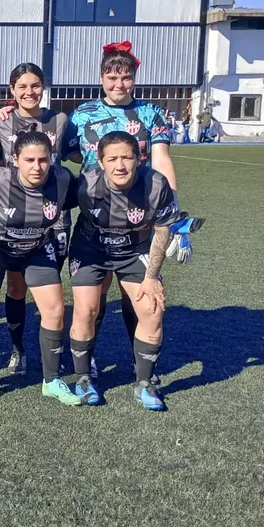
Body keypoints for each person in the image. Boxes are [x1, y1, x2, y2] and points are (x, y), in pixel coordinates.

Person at [0, 42, 182, 379]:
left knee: (135, 293)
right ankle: (86, 359)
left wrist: (176, 216)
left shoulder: (151, 113)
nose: (119, 84)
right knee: (92, 294)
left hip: (138, 221)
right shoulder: (81, 115)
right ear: (101, 78)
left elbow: (162, 161)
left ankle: (138, 364)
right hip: (95, 214)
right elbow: (63, 154)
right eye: (112, 77)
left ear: (134, 78)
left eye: (125, 78)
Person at [0, 128, 79, 408]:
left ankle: (51, 380)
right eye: (29, 160)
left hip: (36, 248)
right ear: (14, 159)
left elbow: (93, 197)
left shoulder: (62, 179)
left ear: (51, 159)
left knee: (54, 310)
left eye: (43, 160)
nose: (37, 167)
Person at [68, 131, 179, 410]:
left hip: (135, 251)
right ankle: (83, 378)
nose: (120, 165)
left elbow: (162, 231)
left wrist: (151, 277)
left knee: (152, 309)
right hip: (91, 249)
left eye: (127, 157)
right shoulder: (86, 184)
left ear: (139, 158)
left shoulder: (155, 184)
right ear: (101, 162)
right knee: (86, 310)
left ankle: (145, 383)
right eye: (113, 159)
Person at [0, 63, 73, 377]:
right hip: (15, 217)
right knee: (17, 287)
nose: (29, 92)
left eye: (35, 85)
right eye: (22, 87)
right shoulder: (2, 121)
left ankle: (54, 353)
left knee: (51, 288)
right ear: (12, 90)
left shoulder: (60, 120)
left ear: (43, 87)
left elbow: (79, 154)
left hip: (55, 217)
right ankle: (18, 350)